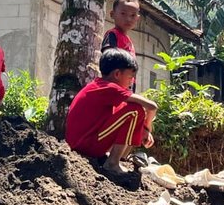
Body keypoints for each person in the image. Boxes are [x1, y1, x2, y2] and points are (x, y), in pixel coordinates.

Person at [65, 48, 157, 177]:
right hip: (85, 145)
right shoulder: (110, 88)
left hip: (80, 142)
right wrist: (147, 128)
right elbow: (152, 106)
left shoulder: (98, 85)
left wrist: (142, 128)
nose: (132, 82)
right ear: (117, 74)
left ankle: (115, 158)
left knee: (129, 108)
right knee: (136, 111)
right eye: (130, 77)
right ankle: (113, 163)